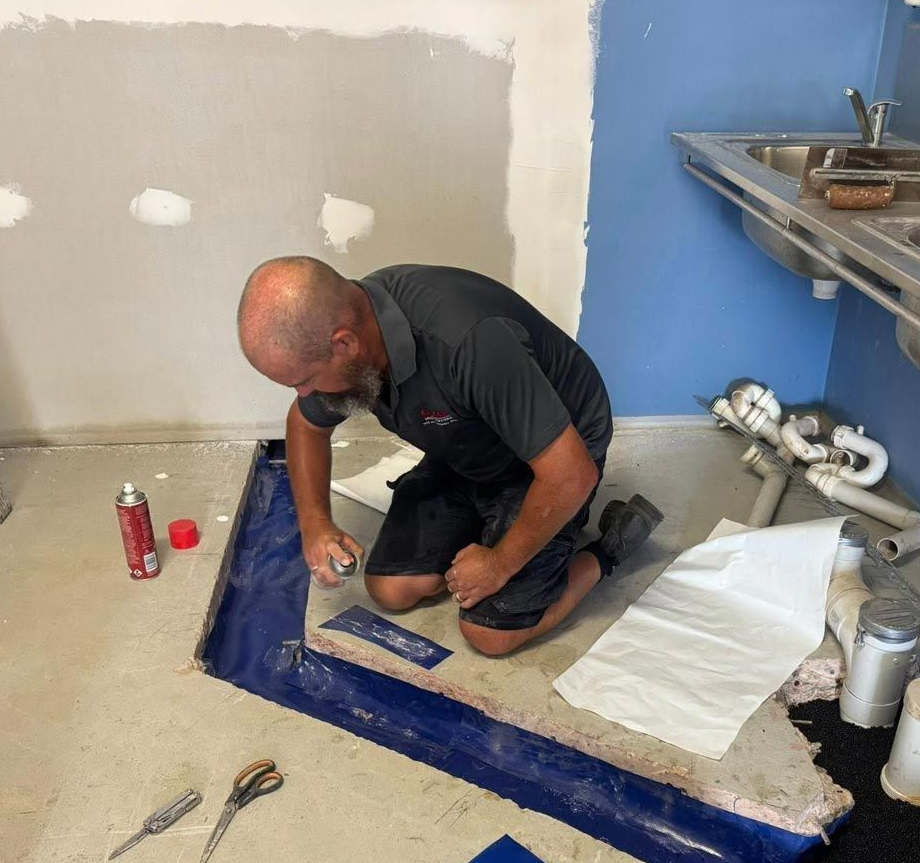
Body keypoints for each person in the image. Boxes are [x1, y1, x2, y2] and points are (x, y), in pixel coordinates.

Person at [236, 257, 662, 657]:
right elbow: (306, 424)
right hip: (466, 443)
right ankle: (493, 524)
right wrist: (315, 524)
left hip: (549, 463)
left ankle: (609, 549)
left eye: (305, 380)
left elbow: (571, 474)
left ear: (344, 343)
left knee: (490, 634)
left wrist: (499, 562)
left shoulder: (469, 342)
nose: (304, 394)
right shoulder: (356, 330)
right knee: (390, 590)